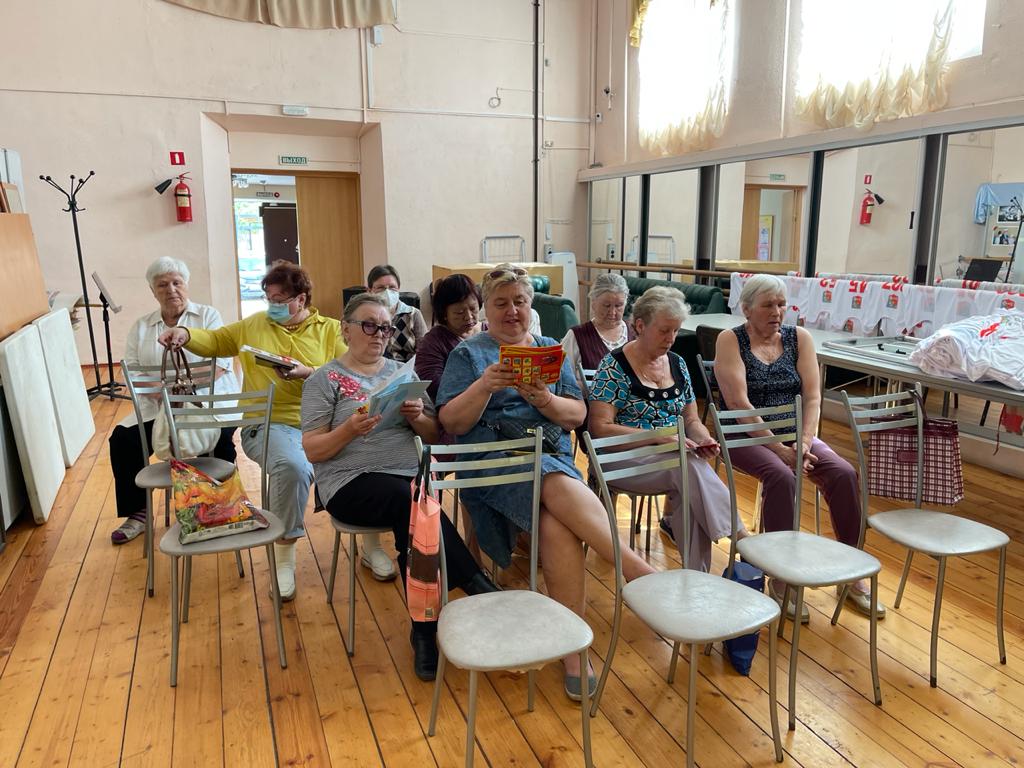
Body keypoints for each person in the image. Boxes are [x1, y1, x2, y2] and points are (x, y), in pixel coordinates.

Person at [437, 266, 656, 701]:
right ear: (486, 308)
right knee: (553, 479)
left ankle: (574, 650)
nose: (512, 310)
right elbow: (451, 422)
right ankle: (636, 572)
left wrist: (545, 399)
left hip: (548, 456)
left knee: (557, 525)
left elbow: (577, 416)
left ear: (530, 305)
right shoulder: (469, 354)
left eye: (519, 301)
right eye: (501, 303)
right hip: (494, 464)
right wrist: (484, 387)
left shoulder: (549, 349)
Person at [301, 292, 498, 681]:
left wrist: (417, 417)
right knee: (413, 503)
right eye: (369, 325)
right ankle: (477, 585)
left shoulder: (403, 375)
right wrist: (349, 429)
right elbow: (313, 450)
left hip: (408, 481)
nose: (379, 334)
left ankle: (424, 633)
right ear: (346, 330)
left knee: (415, 518)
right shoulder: (323, 380)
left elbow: (433, 433)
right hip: (349, 483)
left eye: (385, 328)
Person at [158, 261, 380, 601]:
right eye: (269, 299)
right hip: (269, 422)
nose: (272, 306)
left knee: (369, 452)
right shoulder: (254, 325)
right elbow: (215, 341)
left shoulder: (331, 329)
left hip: (327, 420)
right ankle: (284, 555)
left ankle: (372, 542)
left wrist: (309, 373)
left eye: (280, 300)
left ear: (301, 299)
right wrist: (186, 335)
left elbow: (351, 374)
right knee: (292, 466)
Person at [714, 273, 885, 620]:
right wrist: (781, 450)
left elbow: (813, 397)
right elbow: (738, 403)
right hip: (743, 434)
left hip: (795, 435)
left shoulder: (799, 338)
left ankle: (852, 571)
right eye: (768, 305)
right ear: (746, 309)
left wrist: (804, 442)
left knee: (843, 473)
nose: (777, 312)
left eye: (781, 304)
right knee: (781, 475)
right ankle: (781, 576)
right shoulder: (730, 340)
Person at [588, 287, 746, 572]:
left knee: (689, 483)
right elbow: (600, 429)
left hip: (673, 456)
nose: (671, 338)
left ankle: (696, 577)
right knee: (687, 467)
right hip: (620, 457)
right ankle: (741, 539)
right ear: (639, 325)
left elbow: (691, 420)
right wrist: (658, 437)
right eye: (664, 331)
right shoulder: (613, 366)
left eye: (675, 331)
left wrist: (704, 439)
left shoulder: (677, 363)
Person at [110, 257, 239, 544]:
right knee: (123, 440)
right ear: (152, 291)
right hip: (158, 405)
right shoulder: (142, 326)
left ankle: (221, 505)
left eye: (176, 282)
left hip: (207, 403)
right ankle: (138, 512)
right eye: (162, 285)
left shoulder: (207, 316)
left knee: (220, 439)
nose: (171, 290)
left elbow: (221, 363)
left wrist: (182, 391)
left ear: (186, 285)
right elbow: (131, 369)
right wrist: (162, 392)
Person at [415, 274, 482, 403]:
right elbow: (434, 386)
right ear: (444, 314)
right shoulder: (433, 342)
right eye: (459, 312)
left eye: (473, 308)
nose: (469, 317)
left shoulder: (489, 331)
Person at [562, 272, 634, 374]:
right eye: (606, 305)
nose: (612, 312)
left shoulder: (636, 332)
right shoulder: (576, 336)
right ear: (593, 303)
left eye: (618, 306)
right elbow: (562, 378)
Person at [367, 264, 427, 362]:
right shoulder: (365, 317)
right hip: (375, 367)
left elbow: (425, 351)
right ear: (370, 291)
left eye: (392, 287)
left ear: (398, 289)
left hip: (408, 367)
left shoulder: (413, 314)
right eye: (380, 288)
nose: (387, 292)